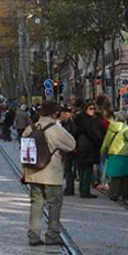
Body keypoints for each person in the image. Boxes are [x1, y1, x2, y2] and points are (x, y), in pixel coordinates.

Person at [22, 100, 76, 246]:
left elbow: (25, 153)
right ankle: (52, 235)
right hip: (52, 174)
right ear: (55, 113)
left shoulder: (30, 128)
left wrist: (25, 172)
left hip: (33, 174)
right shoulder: (56, 129)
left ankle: (34, 236)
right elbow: (72, 144)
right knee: (54, 204)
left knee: (36, 204)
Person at [101, 111, 128, 201]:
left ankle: (113, 193)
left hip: (113, 153)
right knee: (124, 175)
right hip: (125, 154)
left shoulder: (111, 128)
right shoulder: (126, 129)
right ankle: (124, 194)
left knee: (114, 175)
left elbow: (106, 141)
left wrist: (103, 150)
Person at [74, 100, 103, 199]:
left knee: (82, 170)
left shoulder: (78, 120)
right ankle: (85, 191)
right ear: (86, 109)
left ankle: (83, 190)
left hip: (81, 147)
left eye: (94, 109)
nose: (93, 111)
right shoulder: (88, 121)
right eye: (91, 109)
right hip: (87, 148)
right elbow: (93, 134)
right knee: (86, 169)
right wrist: (98, 141)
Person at [59, 106, 77, 196]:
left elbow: (73, 136)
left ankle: (70, 189)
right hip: (63, 150)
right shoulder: (61, 124)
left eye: (65, 114)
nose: (63, 116)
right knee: (66, 170)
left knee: (68, 170)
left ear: (69, 114)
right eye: (62, 114)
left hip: (69, 150)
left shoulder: (72, 124)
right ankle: (68, 188)